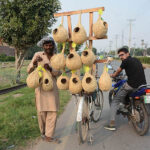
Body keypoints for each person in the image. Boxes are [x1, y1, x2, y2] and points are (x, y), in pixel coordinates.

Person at [27, 37, 61, 143]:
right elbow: (29, 70)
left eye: (50, 45)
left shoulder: (57, 57)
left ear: (53, 45)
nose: (48, 47)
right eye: (46, 45)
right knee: (41, 112)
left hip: (52, 87)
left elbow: (59, 72)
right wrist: (35, 63)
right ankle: (43, 132)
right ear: (43, 46)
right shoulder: (38, 55)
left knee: (53, 111)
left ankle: (48, 135)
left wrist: (50, 69)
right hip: (40, 87)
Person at [104, 47, 147, 131]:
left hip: (131, 85)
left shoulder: (125, 61)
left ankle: (111, 124)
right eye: (119, 55)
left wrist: (113, 75)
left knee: (115, 100)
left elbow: (118, 71)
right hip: (143, 85)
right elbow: (143, 67)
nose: (121, 57)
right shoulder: (136, 60)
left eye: (122, 55)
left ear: (128, 54)